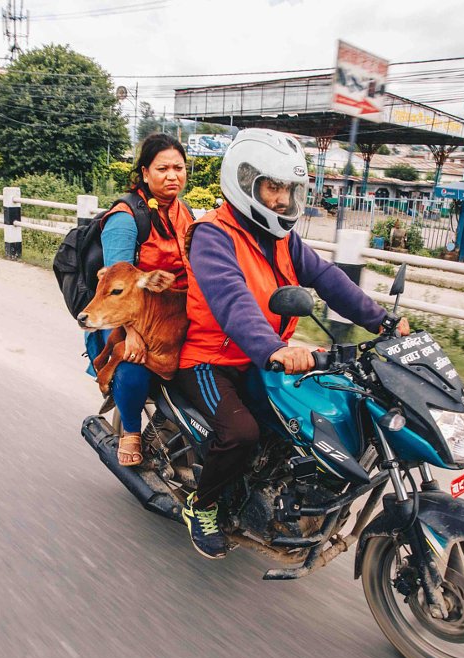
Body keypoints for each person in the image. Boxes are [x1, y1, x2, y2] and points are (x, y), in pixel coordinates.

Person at [174, 128, 408, 559]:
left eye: (289, 189)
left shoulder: (282, 239)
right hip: (212, 360)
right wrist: (274, 348)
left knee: (306, 422)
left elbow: (328, 280)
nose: (282, 199)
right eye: (273, 186)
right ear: (245, 182)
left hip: (263, 359)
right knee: (241, 433)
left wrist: (383, 322)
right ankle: (200, 504)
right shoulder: (213, 235)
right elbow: (231, 299)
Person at [88, 133, 193, 466]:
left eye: (179, 167)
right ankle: (131, 431)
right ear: (145, 173)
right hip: (124, 318)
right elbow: (115, 284)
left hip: (172, 314)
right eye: (163, 168)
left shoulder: (185, 214)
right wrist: (132, 332)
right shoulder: (126, 217)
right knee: (133, 363)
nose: (172, 175)